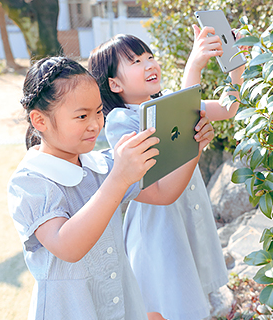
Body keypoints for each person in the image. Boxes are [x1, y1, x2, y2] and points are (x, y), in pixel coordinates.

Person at [7, 56, 214, 320]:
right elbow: (68, 246)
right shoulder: (30, 182)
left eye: (97, 112)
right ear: (40, 121)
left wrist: (192, 147)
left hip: (122, 306)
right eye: (82, 116)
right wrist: (118, 179)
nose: (95, 124)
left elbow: (164, 194)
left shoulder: (103, 164)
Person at [88, 24, 245, 320]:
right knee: (162, 303)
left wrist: (235, 60)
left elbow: (228, 107)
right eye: (135, 62)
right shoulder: (121, 119)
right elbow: (180, 131)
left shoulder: (166, 103)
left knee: (181, 300)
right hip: (157, 230)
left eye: (149, 56)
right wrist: (194, 64)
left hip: (183, 218)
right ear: (114, 85)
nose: (149, 64)